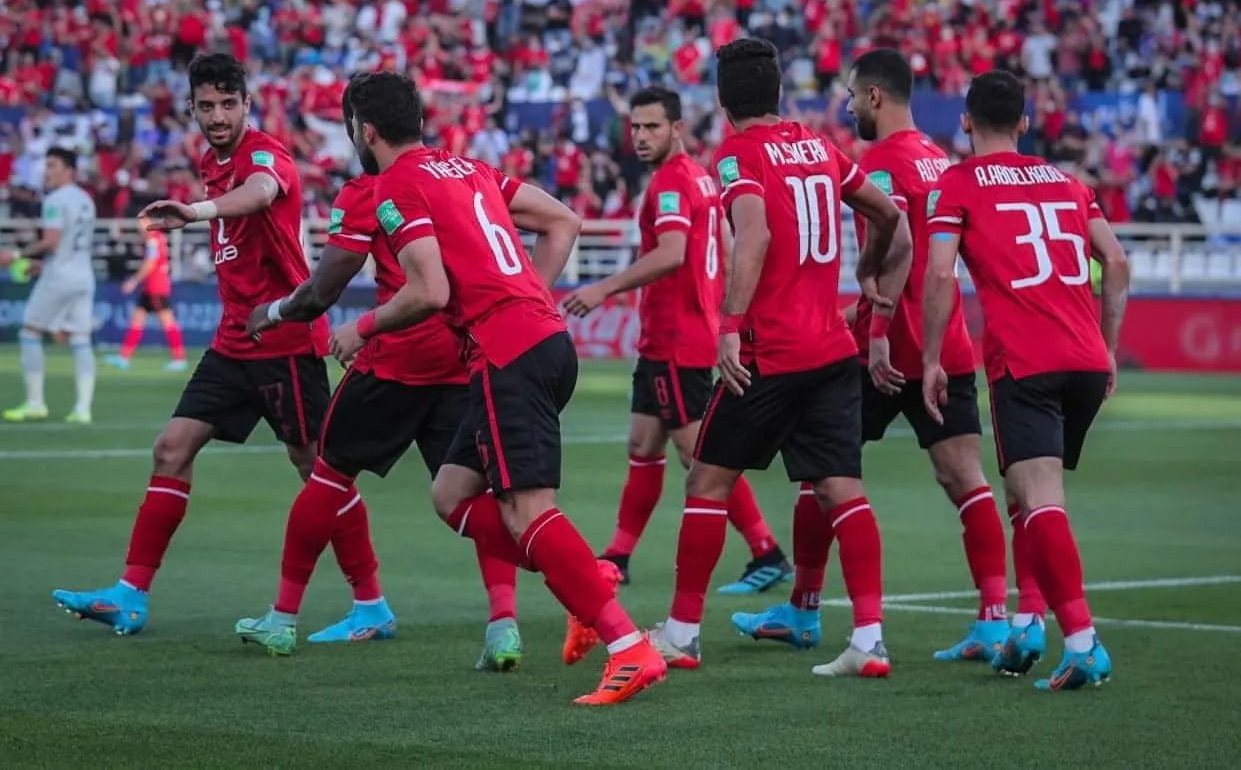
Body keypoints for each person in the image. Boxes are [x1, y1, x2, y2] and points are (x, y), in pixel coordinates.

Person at [330, 71, 666, 705]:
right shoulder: (469, 169)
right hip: (539, 341)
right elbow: (563, 221)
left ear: (364, 130)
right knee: (452, 493)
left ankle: (629, 648)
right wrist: (532, 295)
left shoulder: (395, 185)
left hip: (508, 351)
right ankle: (585, 581)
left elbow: (429, 290)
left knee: (527, 510)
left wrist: (362, 327)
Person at [646, 38, 912, 677]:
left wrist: (730, 325)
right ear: (778, 94)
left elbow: (755, 231)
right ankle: (869, 640)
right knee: (842, 490)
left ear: (720, 98)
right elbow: (887, 213)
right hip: (830, 349)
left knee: (707, 481)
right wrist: (867, 270)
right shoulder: (821, 148)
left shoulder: (737, 153)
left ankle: (682, 633)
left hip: (771, 351)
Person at [51, 53, 331, 634]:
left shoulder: (262, 154)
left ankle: (371, 601)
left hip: (283, 336)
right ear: (193, 108)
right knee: (171, 448)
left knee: (318, 468)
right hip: (234, 340)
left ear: (247, 105)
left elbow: (258, 193)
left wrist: (197, 212)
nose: (219, 115)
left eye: (229, 104)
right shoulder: (210, 158)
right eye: (207, 105)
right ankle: (131, 593)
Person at [233, 145, 522, 670]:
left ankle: (282, 619)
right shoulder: (460, 175)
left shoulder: (372, 189)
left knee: (328, 476)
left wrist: (273, 312)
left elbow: (323, 290)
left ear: (364, 130)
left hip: (396, 360)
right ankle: (504, 626)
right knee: (476, 494)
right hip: (461, 359)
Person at [922, 69, 1129, 690]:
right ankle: (1028, 622)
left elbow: (938, 277)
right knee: (1025, 494)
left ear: (965, 122)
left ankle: (1084, 642)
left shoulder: (955, 184)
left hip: (1027, 362)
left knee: (1039, 500)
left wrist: (932, 358)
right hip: (1086, 360)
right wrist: (1110, 346)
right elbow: (1115, 261)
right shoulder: (1068, 183)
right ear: (1024, 122)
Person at [561, 85, 790, 599]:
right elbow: (726, 250)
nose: (641, 136)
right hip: (669, 338)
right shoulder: (701, 179)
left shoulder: (670, 183)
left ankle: (767, 550)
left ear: (677, 129)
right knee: (644, 445)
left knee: (701, 457)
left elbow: (670, 254)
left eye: (652, 127)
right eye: (636, 127)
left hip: (676, 341)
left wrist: (602, 288)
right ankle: (618, 555)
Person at [848, 48, 1011, 659]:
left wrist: (877, 326)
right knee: (964, 479)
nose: (847, 106)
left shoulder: (883, 161)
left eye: (850, 95)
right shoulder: (938, 159)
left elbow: (898, 247)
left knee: (826, 470)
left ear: (874, 98)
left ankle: (805, 607)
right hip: (949, 345)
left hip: (891, 349)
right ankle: (994, 616)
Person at [1, 148, 98, 424]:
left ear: (69, 170)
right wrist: (42, 264)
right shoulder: (86, 200)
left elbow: (52, 240)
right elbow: (70, 246)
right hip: (83, 276)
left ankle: (35, 403)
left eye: (53, 165)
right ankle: (83, 409)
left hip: (59, 277)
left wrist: (17, 255)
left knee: (30, 333)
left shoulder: (55, 199)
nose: (47, 171)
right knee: (80, 340)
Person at [107, 214, 188, 371]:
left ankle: (179, 359)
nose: (139, 227)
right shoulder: (157, 238)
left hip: (156, 288)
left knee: (167, 321)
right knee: (137, 320)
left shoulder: (152, 239)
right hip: (150, 288)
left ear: (150, 222)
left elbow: (150, 264)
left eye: (142, 222)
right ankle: (123, 358)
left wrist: (133, 281)